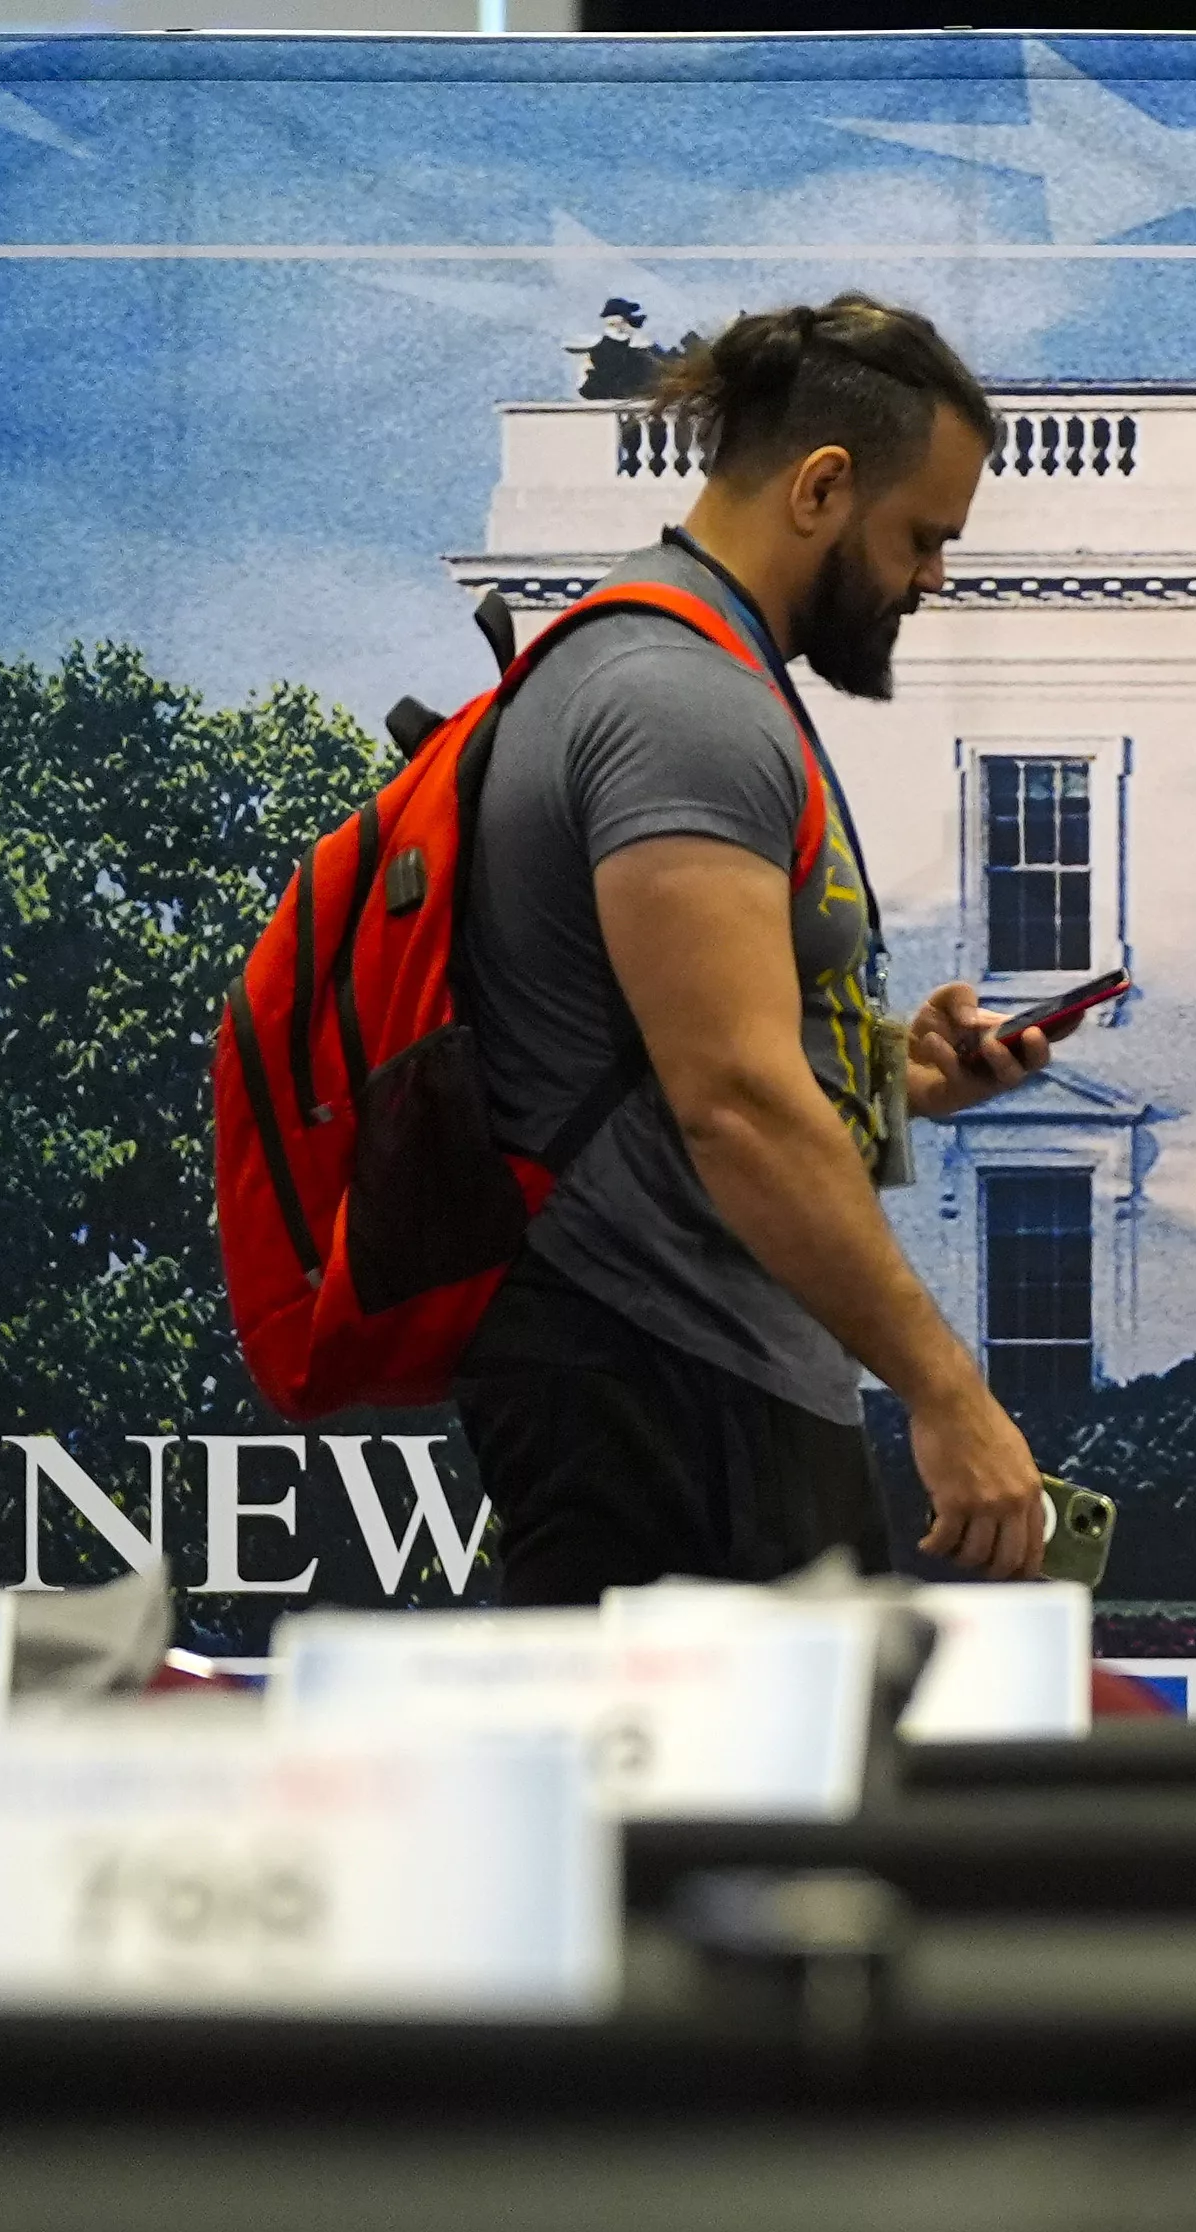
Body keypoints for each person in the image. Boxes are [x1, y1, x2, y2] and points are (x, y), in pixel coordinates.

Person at [450, 291, 1056, 1601]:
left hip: (686, 1387)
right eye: (922, 537)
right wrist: (950, 1394)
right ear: (823, 487)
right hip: (673, 1400)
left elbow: (669, 1061)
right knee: (717, 1803)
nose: (934, 580)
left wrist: (901, 1077)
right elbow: (730, 1101)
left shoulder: (676, 673)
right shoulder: (682, 705)